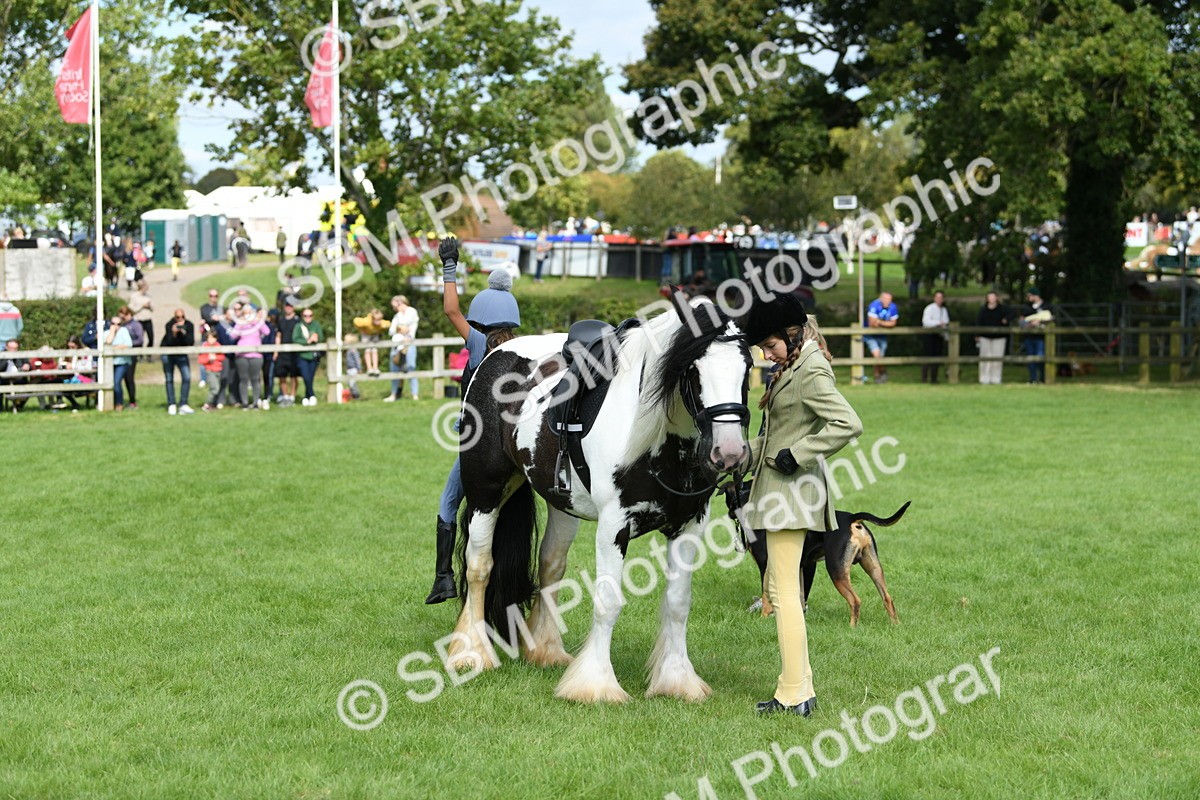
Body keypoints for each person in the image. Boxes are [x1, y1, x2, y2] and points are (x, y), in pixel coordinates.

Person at [742, 297, 863, 716]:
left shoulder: (810, 368)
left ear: (792, 335)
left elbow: (849, 423)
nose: (765, 354)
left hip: (792, 493)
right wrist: (740, 453)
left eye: (769, 345)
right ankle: (798, 687)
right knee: (783, 590)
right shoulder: (792, 367)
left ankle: (794, 693)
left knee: (784, 592)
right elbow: (777, 436)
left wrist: (800, 451)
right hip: (779, 490)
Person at [425, 237, 521, 604]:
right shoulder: (517, 347)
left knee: (449, 503)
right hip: (513, 444)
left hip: (480, 444)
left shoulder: (480, 344)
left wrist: (449, 267)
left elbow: (451, 311)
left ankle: (444, 577)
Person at [231, 305, 271, 410]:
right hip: (241, 355)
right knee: (243, 379)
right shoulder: (240, 323)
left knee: (255, 379)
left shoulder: (256, 323)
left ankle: (255, 402)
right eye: (246, 313)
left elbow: (267, 332)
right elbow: (233, 335)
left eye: (249, 313)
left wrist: (257, 321)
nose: (248, 315)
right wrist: (241, 322)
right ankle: (244, 402)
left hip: (256, 355)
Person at [386, 295, 419, 401]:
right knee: (395, 368)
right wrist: (399, 329)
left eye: (396, 305)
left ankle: (415, 394)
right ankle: (394, 394)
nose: (395, 307)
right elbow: (391, 331)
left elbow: (409, 325)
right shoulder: (397, 316)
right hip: (397, 345)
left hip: (409, 344)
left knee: (410, 367)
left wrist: (401, 328)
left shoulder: (412, 311)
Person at [864, 290, 899, 383]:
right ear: (881, 299)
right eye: (886, 299)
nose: (887, 301)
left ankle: (880, 375)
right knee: (877, 355)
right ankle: (879, 375)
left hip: (882, 335)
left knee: (880, 357)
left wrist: (879, 322)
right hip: (870, 335)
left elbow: (893, 323)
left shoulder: (893, 307)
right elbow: (872, 323)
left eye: (889, 299)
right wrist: (886, 323)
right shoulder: (874, 305)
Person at [975, 292, 1009, 385]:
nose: (992, 299)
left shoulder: (1002, 309)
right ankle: (984, 378)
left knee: (997, 358)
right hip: (985, 337)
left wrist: (1006, 319)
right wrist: (977, 335)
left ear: (997, 298)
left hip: (999, 337)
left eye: (993, 297)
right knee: (984, 358)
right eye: (990, 297)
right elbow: (978, 322)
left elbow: (1011, 315)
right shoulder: (983, 310)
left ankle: (996, 379)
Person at [1020, 288, 1053, 384]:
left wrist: (1040, 321)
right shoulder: (1026, 307)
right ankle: (1033, 379)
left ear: (1036, 296)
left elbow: (1052, 318)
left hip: (1041, 337)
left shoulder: (1047, 306)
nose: (1028, 298)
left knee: (1040, 357)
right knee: (1030, 358)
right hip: (1029, 337)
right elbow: (1022, 320)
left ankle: (1043, 378)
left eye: (1030, 295)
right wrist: (1030, 324)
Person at [292, 308, 324, 405]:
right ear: (302, 316)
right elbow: (295, 338)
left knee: (310, 377)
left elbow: (321, 337)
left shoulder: (316, 325)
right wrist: (307, 341)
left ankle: (307, 396)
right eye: (305, 315)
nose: (308, 317)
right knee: (306, 377)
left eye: (310, 315)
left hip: (313, 356)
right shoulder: (298, 326)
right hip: (302, 356)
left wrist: (316, 338)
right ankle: (312, 395)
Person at [105, 314, 134, 411]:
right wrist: (112, 332)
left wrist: (114, 348)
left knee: (117, 382)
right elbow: (107, 343)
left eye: (118, 324)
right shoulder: (106, 333)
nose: (116, 325)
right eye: (113, 323)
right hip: (109, 363)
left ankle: (119, 403)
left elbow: (128, 344)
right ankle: (110, 402)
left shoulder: (124, 331)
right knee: (109, 383)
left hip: (122, 362)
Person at [275, 301, 301, 406]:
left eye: (290, 306)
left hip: (294, 352)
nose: (288, 308)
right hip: (282, 351)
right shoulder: (281, 320)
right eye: (286, 306)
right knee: (282, 375)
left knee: (294, 375)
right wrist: (276, 350)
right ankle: (285, 396)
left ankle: (292, 396)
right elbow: (278, 335)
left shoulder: (298, 320)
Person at [920, 290, 950, 384]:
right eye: (937, 297)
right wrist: (938, 323)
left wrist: (946, 335)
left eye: (941, 298)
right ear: (934, 298)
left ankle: (934, 378)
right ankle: (924, 378)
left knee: (937, 356)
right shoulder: (929, 308)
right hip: (929, 335)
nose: (939, 300)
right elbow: (926, 322)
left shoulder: (944, 310)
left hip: (939, 335)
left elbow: (946, 322)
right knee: (927, 356)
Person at [117, 306, 142, 408]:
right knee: (119, 378)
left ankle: (132, 400)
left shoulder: (136, 325)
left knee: (129, 378)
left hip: (131, 355)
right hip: (120, 355)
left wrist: (128, 344)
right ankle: (119, 401)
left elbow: (140, 340)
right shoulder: (121, 326)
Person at [198, 290, 224, 387]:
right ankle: (203, 379)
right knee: (204, 357)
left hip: (218, 337)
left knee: (218, 357)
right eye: (211, 295)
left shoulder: (221, 308)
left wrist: (219, 318)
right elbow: (207, 318)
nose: (213, 297)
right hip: (206, 337)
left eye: (215, 295)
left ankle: (216, 376)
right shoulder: (204, 308)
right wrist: (216, 318)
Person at [353, 308, 389, 377]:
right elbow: (356, 321)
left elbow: (388, 323)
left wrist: (384, 326)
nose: (378, 322)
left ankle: (375, 368)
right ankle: (369, 368)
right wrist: (360, 328)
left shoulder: (381, 323)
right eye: (376, 320)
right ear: (372, 318)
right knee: (367, 351)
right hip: (366, 335)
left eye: (379, 320)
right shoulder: (366, 322)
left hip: (375, 335)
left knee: (374, 350)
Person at [198, 330, 227, 410]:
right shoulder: (204, 347)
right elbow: (201, 360)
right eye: (209, 338)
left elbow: (222, 357)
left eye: (213, 338)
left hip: (218, 370)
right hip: (210, 370)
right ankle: (207, 404)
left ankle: (212, 404)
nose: (211, 340)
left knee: (214, 388)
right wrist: (208, 358)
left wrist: (215, 357)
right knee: (215, 388)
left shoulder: (218, 346)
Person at [129, 280, 154, 359]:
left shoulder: (148, 296)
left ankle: (149, 354)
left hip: (147, 319)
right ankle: (139, 355)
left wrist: (149, 306)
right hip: (139, 320)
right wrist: (142, 306)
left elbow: (153, 308)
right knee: (140, 338)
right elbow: (131, 309)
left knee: (151, 337)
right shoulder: (134, 296)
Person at [343, 333, 363, 400]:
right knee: (349, 383)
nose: (344, 342)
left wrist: (359, 368)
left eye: (345, 340)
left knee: (352, 383)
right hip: (349, 369)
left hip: (353, 369)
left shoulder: (353, 350)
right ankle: (352, 395)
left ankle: (356, 396)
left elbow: (357, 360)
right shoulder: (348, 350)